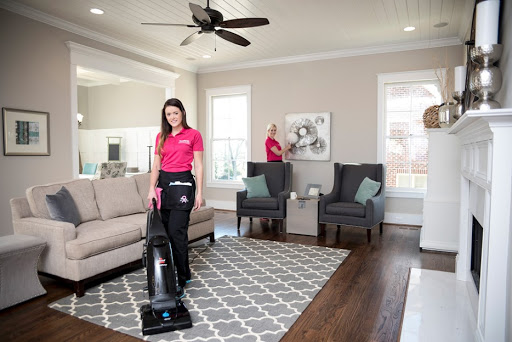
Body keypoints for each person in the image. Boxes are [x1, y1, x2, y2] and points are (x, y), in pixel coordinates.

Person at [147, 98, 203, 298]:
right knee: (165, 234)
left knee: (176, 232)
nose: (172, 117)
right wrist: (151, 188)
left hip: (183, 186)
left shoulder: (193, 135)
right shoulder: (161, 137)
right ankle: (176, 273)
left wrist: (199, 193)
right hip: (164, 186)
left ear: (182, 113)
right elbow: (156, 166)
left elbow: (198, 166)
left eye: (175, 113)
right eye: (168, 114)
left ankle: (180, 279)